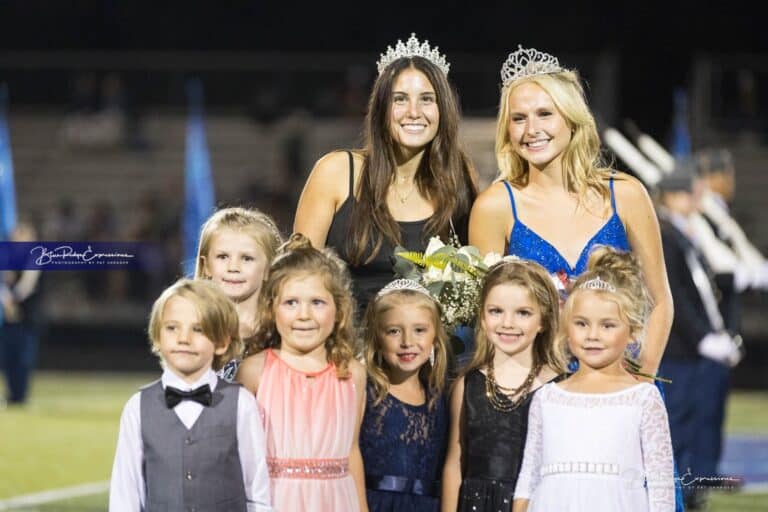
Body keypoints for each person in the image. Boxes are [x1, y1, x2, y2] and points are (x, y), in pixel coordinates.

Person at [469, 45, 673, 377]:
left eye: (545, 114)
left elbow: (660, 302)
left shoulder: (626, 194)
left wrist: (639, 381)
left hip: (620, 386)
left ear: (572, 118)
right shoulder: (495, 206)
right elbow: (487, 319)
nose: (531, 129)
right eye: (518, 118)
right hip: (535, 393)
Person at [294, 33, 478, 313]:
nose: (414, 112)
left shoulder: (459, 179)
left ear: (443, 110)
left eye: (427, 99)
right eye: (400, 99)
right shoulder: (337, 172)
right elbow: (297, 277)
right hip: (346, 348)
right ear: (381, 108)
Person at [513, 247, 674, 512]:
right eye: (582, 324)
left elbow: (661, 488)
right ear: (566, 327)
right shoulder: (547, 397)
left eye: (608, 325)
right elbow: (528, 477)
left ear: (632, 331)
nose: (593, 335)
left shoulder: (643, 398)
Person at [108, 279, 272, 511]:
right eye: (172, 328)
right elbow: (125, 494)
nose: (183, 338)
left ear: (222, 342)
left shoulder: (242, 404)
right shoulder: (137, 408)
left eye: (198, 329)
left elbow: (257, 491)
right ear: (157, 335)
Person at [237, 234, 368, 511]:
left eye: (317, 303)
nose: (304, 315)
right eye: (291, 303)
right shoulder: (255, 371)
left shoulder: (352, 373)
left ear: (339, 310)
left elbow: (352, 451)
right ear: (271, 309)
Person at [441, 259, 564, 512]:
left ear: (543, 320)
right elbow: (455, 463)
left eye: (523, 313)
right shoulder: (468, 384)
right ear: (483, 317)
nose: (507, 323)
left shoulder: (560, 388)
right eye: (496, 311)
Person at [655, 160, 743, 510]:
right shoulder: (666, 234)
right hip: (680, 352)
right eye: (690, 193)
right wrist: (702, 337)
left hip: (693, 351)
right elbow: (674, 291)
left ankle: (691, 492)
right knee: (679, 426)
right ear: (675, 196)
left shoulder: (683, 232)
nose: (696, 200)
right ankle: (678, 494)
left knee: (695, 426)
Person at [360, 278, 450, 511]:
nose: (407, 342)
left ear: (435, 339)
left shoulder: (440, 398)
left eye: (419, 330)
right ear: (377, 340)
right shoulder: (366, 391)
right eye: (394, 331)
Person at [194, 206, 283, 381]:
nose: (233, 267)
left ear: (269, 269)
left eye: (246, 258)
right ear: (206, 266)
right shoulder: (194, 329)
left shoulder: (282, 332)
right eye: (223, 257)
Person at [0, 220, 43, 405]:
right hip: (10, 320)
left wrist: (12, 298)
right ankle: (11, 394)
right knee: (8, 358)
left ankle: (21, 395)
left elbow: (27, 285)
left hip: (27, 320)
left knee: (23, 359)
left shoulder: (35, 258)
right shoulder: (9, 260)